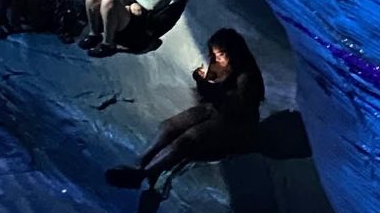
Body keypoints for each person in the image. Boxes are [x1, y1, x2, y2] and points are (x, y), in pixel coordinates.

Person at [107, 28, 265, 190]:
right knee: (169, 126)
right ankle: (141, 162)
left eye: (221, 55)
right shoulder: (220, 65)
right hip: (215, 108)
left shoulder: (247, 78)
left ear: (234, 52)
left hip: (236, 121)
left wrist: (207, 87)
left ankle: (144, 174)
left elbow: (234, 108)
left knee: (188, 139)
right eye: (214, 54)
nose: (217, 59)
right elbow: (208, 96)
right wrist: (202, 81)